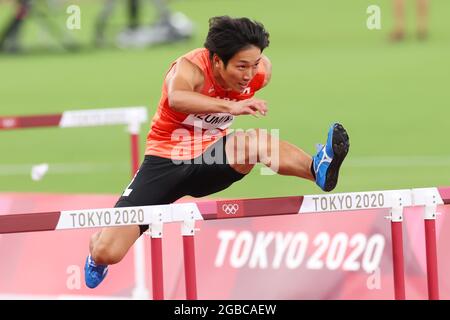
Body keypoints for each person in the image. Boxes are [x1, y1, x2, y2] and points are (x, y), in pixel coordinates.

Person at [84, 16, 350, 288]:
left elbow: (257, 70)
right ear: (216, 61)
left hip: (212, 156)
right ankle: (97, 254)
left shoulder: (261, 72)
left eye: (254, 64)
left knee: (255, 142)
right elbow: (177, 98)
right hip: (166, 160)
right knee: (109, 251)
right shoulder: (190, 68)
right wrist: (229, 107)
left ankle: (317, 168)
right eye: (241, 66)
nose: (248, 74)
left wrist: (247, 80)